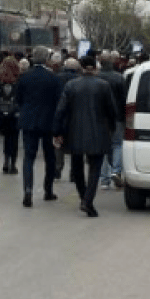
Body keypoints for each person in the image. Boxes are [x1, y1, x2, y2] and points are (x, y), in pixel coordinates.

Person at [52, 56, 118, 217]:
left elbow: (61, 110)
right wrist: (112, 128)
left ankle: (83, 196)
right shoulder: (103, 86)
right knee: (95, 168)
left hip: (74, 131)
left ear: (80, 68)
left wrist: (57, 132)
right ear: (95, 68)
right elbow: (111, 110)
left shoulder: (71, 85)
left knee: (77, 166)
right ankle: (88, 200)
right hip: (98, 131)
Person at [16, 46, 64, 208]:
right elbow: (59, 102)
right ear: (46, 59)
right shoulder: (53, 78)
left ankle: (28, 191)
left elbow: (18, 99)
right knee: (49, 157)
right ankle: (48, 190)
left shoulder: (24, 77)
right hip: (48, 122)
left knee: (28, 157)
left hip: (29, 121)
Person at [96, 51, 127, 189]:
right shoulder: (119, 78)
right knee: (117, 144)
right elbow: (124, 98)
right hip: (117, 117)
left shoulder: (96, 78)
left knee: (103, 147)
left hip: (100, 117)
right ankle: (116, 171)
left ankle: (104, 179)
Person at [0, 57, 21, 174]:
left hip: (2, 113)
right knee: (14, 139)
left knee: (6, 138)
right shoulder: (18, 81)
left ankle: (5, 161)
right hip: (14, 114)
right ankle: (13, 164)